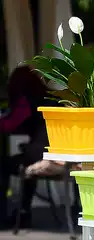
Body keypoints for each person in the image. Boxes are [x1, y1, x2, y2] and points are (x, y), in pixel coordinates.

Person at [0, 65, 55, 229]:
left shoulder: (28, 100)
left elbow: (9, 125)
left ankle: (7, 215)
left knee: (3, 165)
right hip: (59, 157)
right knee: (25, 159)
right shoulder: (52, 98)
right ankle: (24, 211)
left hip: (40, 154)